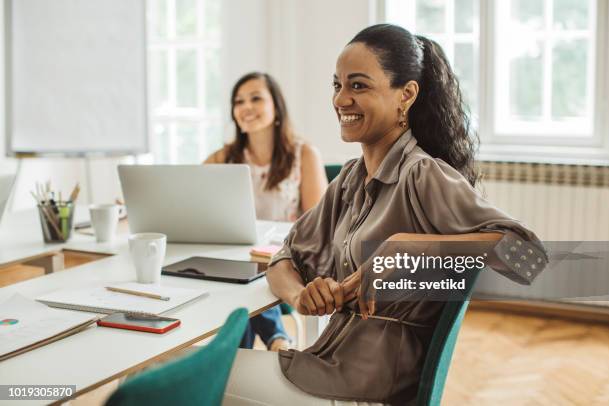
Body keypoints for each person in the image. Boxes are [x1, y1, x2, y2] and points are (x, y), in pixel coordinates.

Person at [224, 24, 548, 405]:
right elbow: (284, 258)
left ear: (406, 95)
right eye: (337, 85)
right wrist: (301, 295)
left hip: (368, 388)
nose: (341, 99)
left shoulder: (422, 175)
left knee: (197, 380)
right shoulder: (349, 179)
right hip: (330, 362)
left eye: (358, 86)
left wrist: (407, 249)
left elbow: (530, 258)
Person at [205, 72, 328, 351]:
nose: (246, 107)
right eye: (239, 101)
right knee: (242, 274)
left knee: (250, 277)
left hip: (288, 260)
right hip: (239, 258)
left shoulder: (304, 154)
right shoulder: (224, 157)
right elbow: (184, 192)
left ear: (276, 108)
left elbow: (319, 229)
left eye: (256, 98)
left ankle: (241, 353)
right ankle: (276, 342)